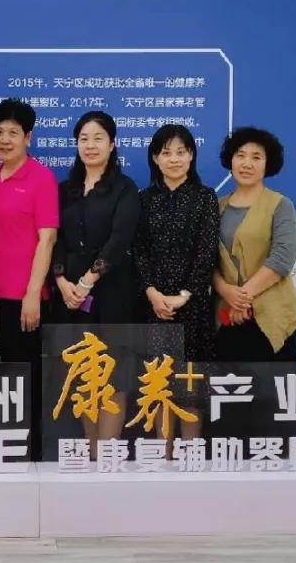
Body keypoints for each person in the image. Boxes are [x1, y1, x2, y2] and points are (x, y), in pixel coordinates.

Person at [49, 110, 140, 452]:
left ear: (112, 144)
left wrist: (88, 281)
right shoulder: (65, 190)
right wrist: (61, 280)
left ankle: (108, 455)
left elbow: (120, 239)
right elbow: (55, 238)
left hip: (111, 293)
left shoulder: (125, 188)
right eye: (84, 139)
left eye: (98, 138)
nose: (90, 145)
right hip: (70, 297)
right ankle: (91, 455)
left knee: (112, 376)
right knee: (84, 376)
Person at [212, 126, 296, 446]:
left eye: (256, 157)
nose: (247, 163)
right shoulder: (216, 206)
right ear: (230, 160)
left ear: (268, 164)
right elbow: (205, 260)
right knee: (229, 406)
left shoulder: (280, 205)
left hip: (269, 318)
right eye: (240, 156)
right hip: (226, 320)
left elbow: (282, 258)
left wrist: (243, 297)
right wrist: (226, 293)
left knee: (270, 404)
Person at [0, 99, 58, 459]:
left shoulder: (41, 179)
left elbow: (47, 239)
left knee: (27, 382)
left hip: (24, 300)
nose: (5, 139)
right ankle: (4, 455)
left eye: (13, 132)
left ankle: (31, 460)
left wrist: (32, 293)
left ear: (28, 137)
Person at [133, 124, 219, 448]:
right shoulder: (144, 200)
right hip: (154, 307)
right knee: (160, 388)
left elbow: (207, 252)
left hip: (192, 307)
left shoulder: (205, 198)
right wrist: (152, 292)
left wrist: (184, 295)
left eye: (181, 152)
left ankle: (189, 457)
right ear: (155, 158)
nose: (174, 159)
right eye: (166, 152)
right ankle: (163, 457)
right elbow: (138, 251)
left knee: (190, 389)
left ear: (191, 156)